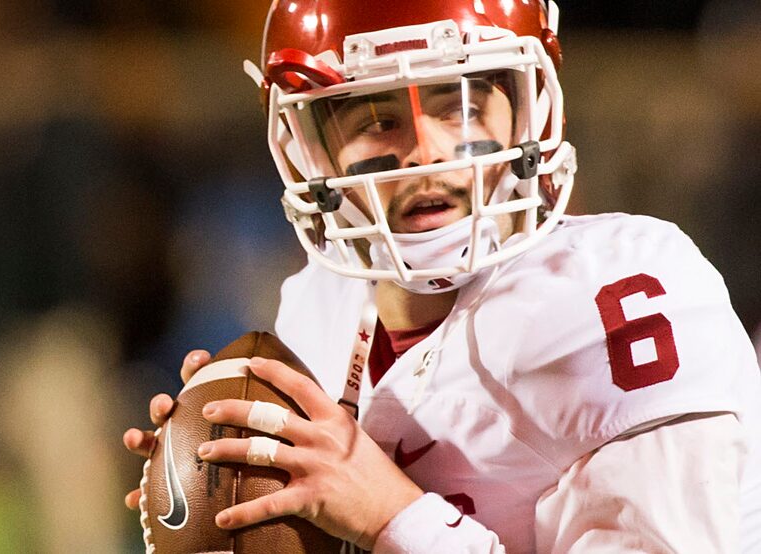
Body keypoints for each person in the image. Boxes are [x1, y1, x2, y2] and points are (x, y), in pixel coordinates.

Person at [124, 1, 761, 552]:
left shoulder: (625, 293)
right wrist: (227, 478)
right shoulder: (315, 307)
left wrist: (393, 518)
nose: (426, 151)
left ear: (527, 110)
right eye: (376, 119)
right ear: (307, 146)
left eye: (459, 104)